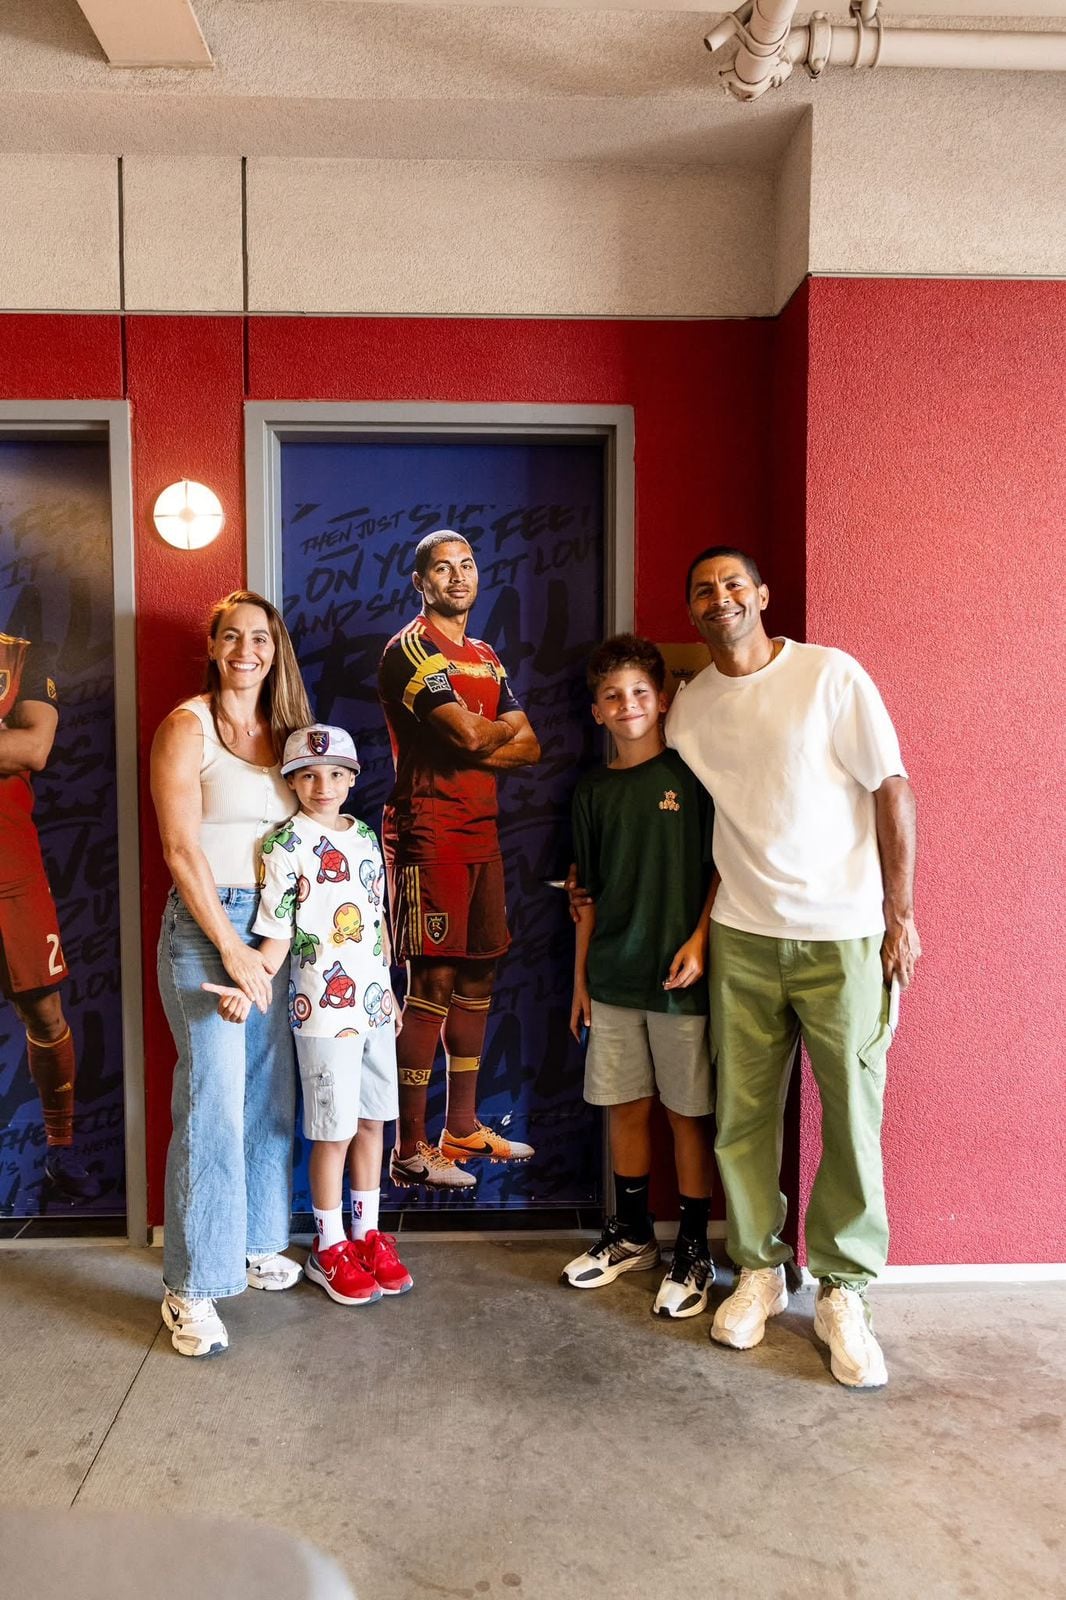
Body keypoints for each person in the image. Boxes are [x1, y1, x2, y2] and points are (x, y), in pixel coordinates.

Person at [665, 546, 921, 1388]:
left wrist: (900, 914)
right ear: (693, 611)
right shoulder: (689, 710)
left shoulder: (830, 676)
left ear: (762, 595)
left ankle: (845, 1290)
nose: (720, 598)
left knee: (851, 1112)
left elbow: (891, 789)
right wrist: (705, 930)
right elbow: (720, 831)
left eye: (734, 584)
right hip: (743, 934)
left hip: (844, 935)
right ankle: (762, 1273)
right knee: (742, 1116)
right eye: (704, 590)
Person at [151, 590, 313, 1357]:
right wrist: (233, 946)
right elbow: (182, 851)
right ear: (214, 646)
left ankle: (250, 1242)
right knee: (213, 1103)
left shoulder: (287, 735)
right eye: (233, 636)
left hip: (273, 932)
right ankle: (191, 1286)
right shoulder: (187, 727)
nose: (248, 649)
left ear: (275, 650)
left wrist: (270, 946)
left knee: (264, 1097)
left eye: (262, 637)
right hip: (204, 928)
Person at [208, 722, 412, 1306]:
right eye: (309, 775)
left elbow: (376, 926)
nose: (324, 785)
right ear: (292, 782)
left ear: (351, 779)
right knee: (335, 1131)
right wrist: (248, 985)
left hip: (374, 1008)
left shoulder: (368, 839)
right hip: (323, 1012)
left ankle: (366, 1234)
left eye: (335, 774)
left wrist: (391, 992)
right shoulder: (283, 846)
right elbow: (274, 935)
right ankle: (328, 1247)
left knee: (374, 1123)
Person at [561, 636, 719, 1319]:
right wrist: (579, 982)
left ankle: (694, 1248)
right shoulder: (592, 791)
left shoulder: (692, 777)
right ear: (596, 711)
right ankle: (631, 1237)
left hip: (681, 978)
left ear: (664, 700)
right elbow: (586, 896)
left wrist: (701, 940)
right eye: (612, 696)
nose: (628, 705)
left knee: (688, 1115)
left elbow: (724, 868)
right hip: (614, 976)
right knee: (626, 1108)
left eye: (640, 693)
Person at [377, 531, 541, 1190]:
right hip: (429, 831)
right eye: (442, 568)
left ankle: (462, 1128)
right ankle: (411, 1148)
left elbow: (531, 747)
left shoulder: (484, 654)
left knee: (479, 978)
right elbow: (482, 732)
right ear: (421, 582)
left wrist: (483, 742)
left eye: (467, 564)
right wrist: (490, 736)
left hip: (482, 833)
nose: (457, 575)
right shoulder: (409, 649)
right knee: (434, 984)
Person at [0, 628, 100, 1204]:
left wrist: (16, 741)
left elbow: (33, 749)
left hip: (13, 865)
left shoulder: (22, 652)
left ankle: (61, 1150)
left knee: (44, 1009)